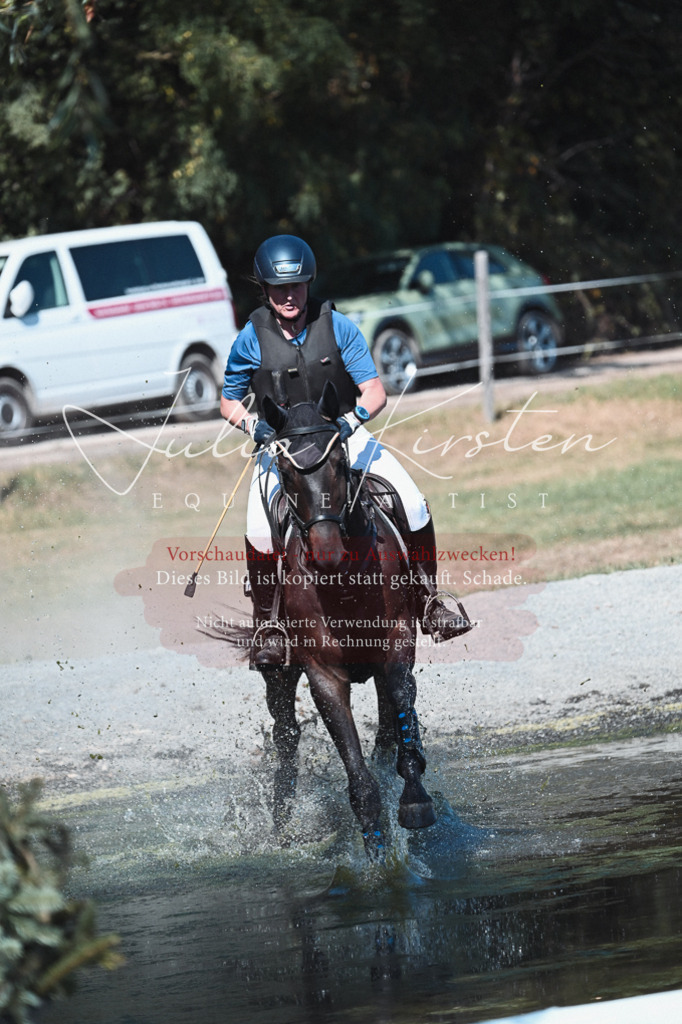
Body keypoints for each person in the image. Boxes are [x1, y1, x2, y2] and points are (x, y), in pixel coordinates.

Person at [220, 234, 471, 667]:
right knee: (261, 530)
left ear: (308, 283)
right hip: (282, 446)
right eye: (280, 289)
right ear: (265, 289)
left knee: (412, 503)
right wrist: (252, 426)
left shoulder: (337, 325)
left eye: (297, 286)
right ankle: (270, 626)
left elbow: (374, 391)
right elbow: (227, 401)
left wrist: (351, 421)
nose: (289, 296)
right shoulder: (251, 337)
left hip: (341, 435)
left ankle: (430, 602)